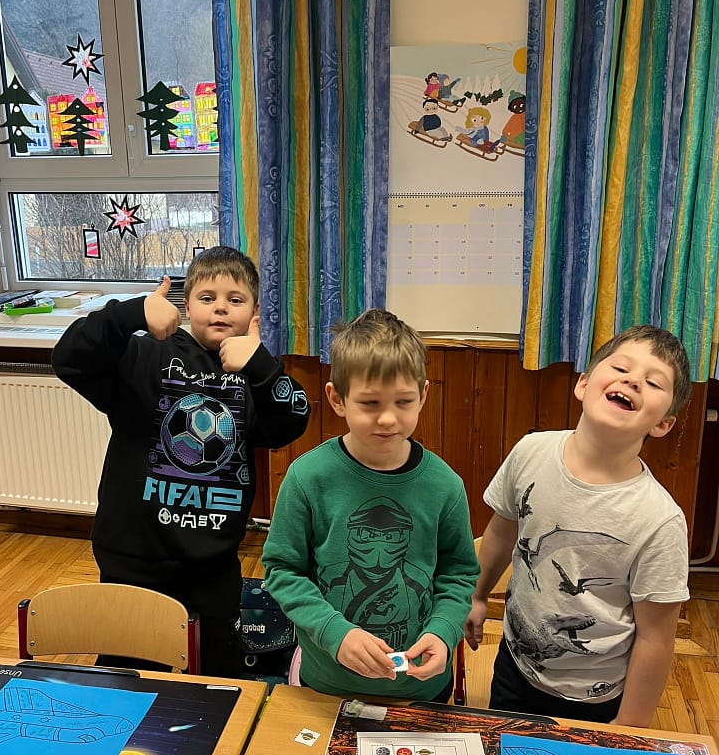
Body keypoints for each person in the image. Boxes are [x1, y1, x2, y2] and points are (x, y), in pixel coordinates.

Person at [52, 245, 311, 676]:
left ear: (254, 312)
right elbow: (69, 358)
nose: (220, 308)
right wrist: (132, 313)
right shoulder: (146, 356)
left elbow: (293, 420)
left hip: (212, 566)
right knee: (126, 675)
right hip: (133, 559)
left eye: (235, 299)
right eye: (207, 297)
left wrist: (261, 367)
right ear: (186, 305)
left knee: (218, 678)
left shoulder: (254, 373)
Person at [464, 325, 692, 726]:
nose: (632, 380)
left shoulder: (660, 521)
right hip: (516, 668)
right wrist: (478, 595)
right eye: (620, 367)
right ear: (583, 384)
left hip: (595, 698)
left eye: (654, 382)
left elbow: (656, 638)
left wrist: (630, 726)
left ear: (663, 424)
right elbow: (501, 532)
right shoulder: (530, 452)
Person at [262, 308, 479, 702]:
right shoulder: (307, 477)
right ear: (337, 399)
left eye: (403, 402)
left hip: (421, 690)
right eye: (370, 403)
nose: (387, 419)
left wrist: (443, 631)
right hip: (325, 688)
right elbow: (282, 571)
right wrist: (334, 632)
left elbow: (459, 574)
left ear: (423, 395)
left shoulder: (445, 486)